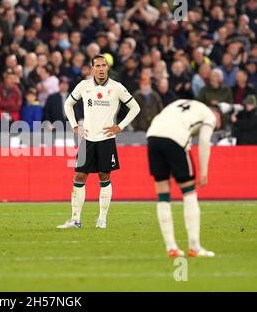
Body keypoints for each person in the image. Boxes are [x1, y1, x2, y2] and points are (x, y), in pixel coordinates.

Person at [57, 54, 140, 229]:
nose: (101, 69)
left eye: (104, 65)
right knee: (79, 176)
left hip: (106, 139)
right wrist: (74, 125)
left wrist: (121, 126)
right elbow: (68, 104)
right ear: (92, 68)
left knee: (104, 176)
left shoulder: (116, 88)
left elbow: (135, 107)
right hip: (87, 139)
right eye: (98, 66)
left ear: (108, 68)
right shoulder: (84, 86)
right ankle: (75, 220)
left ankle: (102, 219)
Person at [146, 99, 222, 258]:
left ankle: (171, 247)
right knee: (189, 191)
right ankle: (195, 247)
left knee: (163, 192)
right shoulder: (210, 116)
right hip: (174, 138)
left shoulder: (181, 103)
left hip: (152, 136)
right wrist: (204, 172)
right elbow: (204, 142)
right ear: (216, 113)